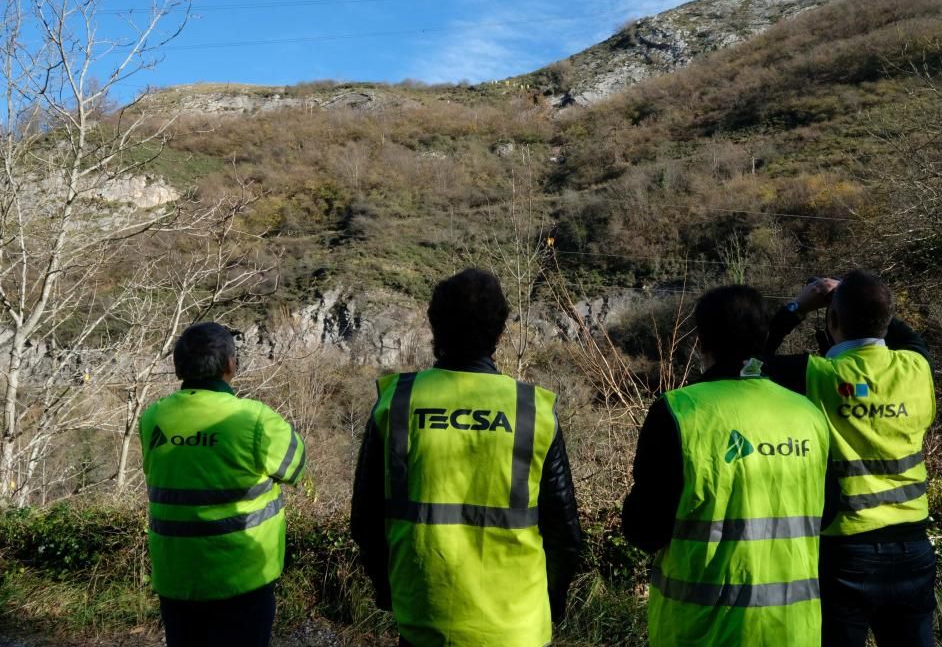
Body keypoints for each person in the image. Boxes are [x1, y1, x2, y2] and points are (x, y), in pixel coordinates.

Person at [351, 268, 582, 647]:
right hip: (518, 627)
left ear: (434, 327)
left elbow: (365, 521)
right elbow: (565, 535)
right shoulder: (531, 409)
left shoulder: (397, 403)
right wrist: (551, 605)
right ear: (499, 331)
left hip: (424, 621)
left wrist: (390, 594)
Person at [622, 284, 830, 647]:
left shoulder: (679, 411)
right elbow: (828, 515)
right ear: (765, 336)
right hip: (794, 630)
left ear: (701, 342)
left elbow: (645, 529)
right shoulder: (809, 415)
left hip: (700, 631)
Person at [765, 270, 937, 647]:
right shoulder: (916, 368)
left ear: (832, 320)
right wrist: (859, 299)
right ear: (887, 321)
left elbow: (746, 359)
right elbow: (908, 337)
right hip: (913, 546)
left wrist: (800, 305)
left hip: (846, 550)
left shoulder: (818, 374)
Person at [140, 322, 306, 647]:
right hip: (243, 577)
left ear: (178, 366)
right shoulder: (254, 419)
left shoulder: (154, 417)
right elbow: (297, 466)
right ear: (231, 364)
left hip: (176, 576)